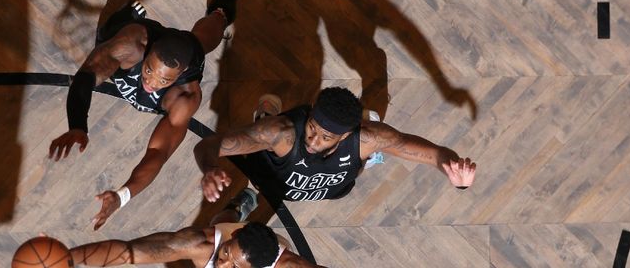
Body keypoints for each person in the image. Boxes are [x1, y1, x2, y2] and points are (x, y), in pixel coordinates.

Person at [48, 0, 240, 230]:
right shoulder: (131, 46)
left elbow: (157, 154)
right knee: (106, 37)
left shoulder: (185, 96)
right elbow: (85, 76)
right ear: (146, 57)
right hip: (134, 34)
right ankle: (124, 15)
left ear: (178, 77)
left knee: (198, 43)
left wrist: (122, 196)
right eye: (149, 71)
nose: (150, 83)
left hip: (184, 51)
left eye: (163, 80)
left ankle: (221, 13)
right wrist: (77, 124)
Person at [195, 87, 476, 205]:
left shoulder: (368, 138)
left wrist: (453, 171)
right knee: (265, 129)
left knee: (361, 160)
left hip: (331, 187)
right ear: (312, 110)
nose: (314, 140)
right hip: (269, 174)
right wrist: (209, 169)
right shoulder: (280, 134)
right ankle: (267, 110)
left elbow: (436, 155)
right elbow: (209, 145)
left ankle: (368, 157)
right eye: (312, 127)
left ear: (344, 136)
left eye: (326, 137)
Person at [68, 189, 327, 267]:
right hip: (225, 230)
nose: (222, 266)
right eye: (226, 255)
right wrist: (68, 259)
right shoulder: (202, 245)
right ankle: (239, 207)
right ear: (233, 237)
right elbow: (128, 252)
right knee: (216, 224)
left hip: (272, 248)